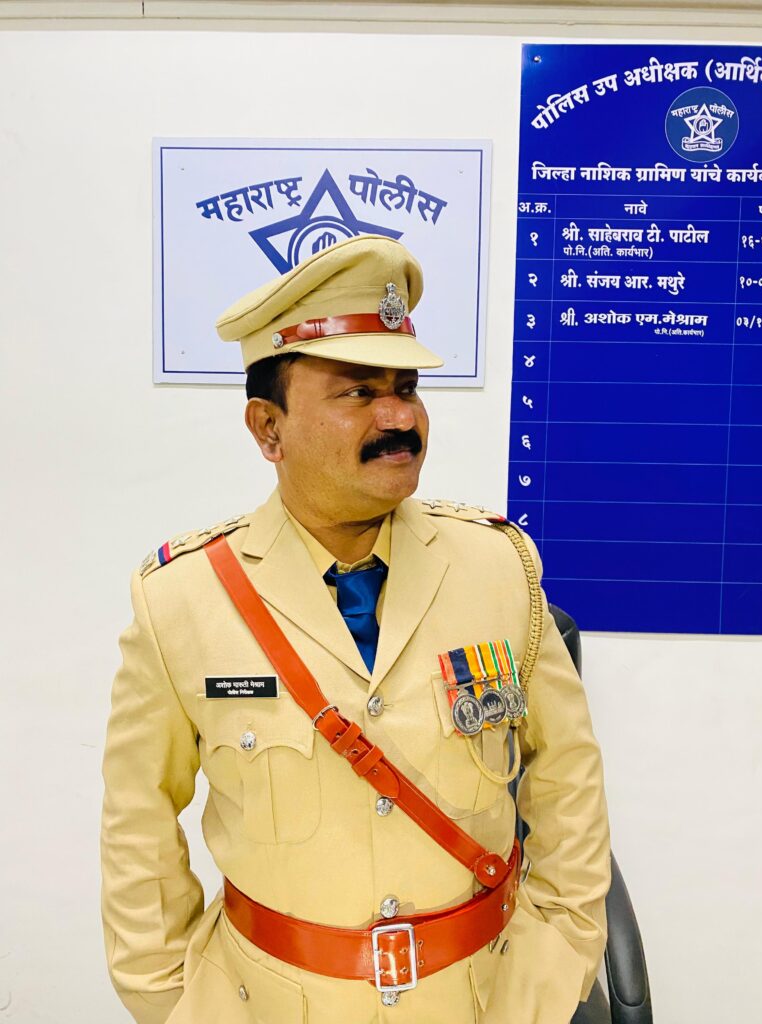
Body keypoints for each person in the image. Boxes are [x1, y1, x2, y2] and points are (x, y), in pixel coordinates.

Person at [101, 234, 610, 1024]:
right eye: (359, 392)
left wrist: (561, 952)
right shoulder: (183, 602)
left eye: (407, 387)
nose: (399, 417)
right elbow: (138, 823)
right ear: (268, 429)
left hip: (484, 998)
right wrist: (169, 997)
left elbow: (566, 774)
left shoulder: (498, 567)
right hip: (269, 1004)